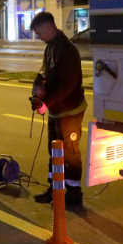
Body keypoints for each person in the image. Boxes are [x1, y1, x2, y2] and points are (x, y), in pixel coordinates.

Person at [29, 11, 87, 206]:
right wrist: (39, 85)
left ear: (49, 28)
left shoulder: (67, 50)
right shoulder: (51, 47)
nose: (38, 37)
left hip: (70, 110)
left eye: (39, 33)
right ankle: (55, 189)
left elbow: (67, 85)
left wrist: (46, 104)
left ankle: (73, 193)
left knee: (70, 153)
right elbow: (47, 72)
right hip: (56, 110)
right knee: (54, 150)